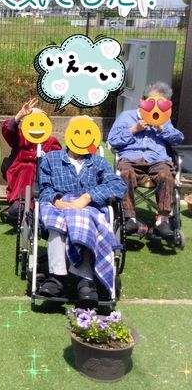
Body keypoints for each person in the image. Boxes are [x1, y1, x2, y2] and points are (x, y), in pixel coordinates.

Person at [38, 116, 127, 306]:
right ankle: (56, 278)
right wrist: (59, 202)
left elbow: (118, 185)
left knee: (84, 220)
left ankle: (85, 280)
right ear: (68, 134)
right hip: (59, 206)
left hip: (87, 208)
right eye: (77, 131)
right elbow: (45, 189)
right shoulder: (51, 159)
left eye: (87, 132)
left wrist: (88, 196)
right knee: (55, 221)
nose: (81, 137)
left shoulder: (98, 162)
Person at [107, 82, 184, 238]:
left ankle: (162, 220)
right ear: (142, 101)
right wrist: (133, 129)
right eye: (151, 102)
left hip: (158, 160)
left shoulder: (164, 120)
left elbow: (179, 138)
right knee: (125, 173)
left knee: (165, 175)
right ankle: (129, 218)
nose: (155, 107)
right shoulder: (126, 117)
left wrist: (162, 128)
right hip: (131, 159)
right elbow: (112, 141)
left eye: (160, 104)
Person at [1, 99, 61, 220]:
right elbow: (8, 130)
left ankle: (26, 208)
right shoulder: (21, 136)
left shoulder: (51, 141)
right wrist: (20, 115)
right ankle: (20, 204)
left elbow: (57, 161)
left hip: (42, 175)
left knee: (35, 169)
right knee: (28, 168)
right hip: (19, 173)